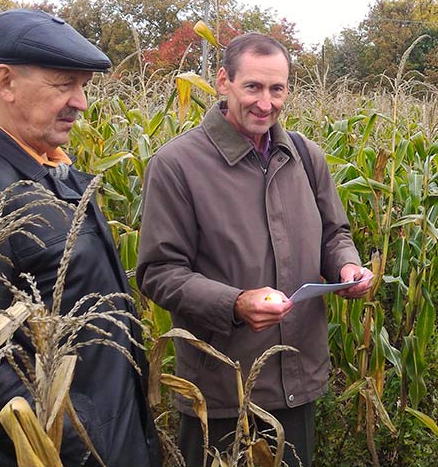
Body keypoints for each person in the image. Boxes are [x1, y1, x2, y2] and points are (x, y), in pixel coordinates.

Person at [0, 9, 160, 466]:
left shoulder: (54, 169)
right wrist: (76, 450)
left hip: (120, 440)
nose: (81, 102)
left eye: (84, 87)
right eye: (64, 84)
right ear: (5, 82)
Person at [136, 32, 373, 467]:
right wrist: (235, 303)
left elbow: (334, 233)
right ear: (224, 82)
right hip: (223, 390)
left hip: (297, 376)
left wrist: (347, 267)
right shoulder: (176, 166)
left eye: (277, 89)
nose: (266, 103)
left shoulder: (305, 155)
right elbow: (158, 271)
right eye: (253, 87)